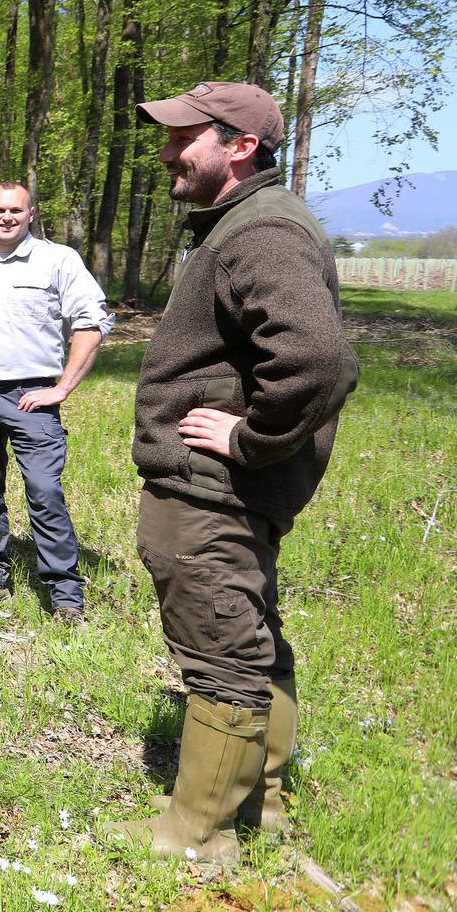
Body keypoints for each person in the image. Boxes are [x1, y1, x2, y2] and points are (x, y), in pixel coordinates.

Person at [106, 82, 357, 864]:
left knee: (220, 650)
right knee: (249, 638)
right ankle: (264, 805)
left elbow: (317, 360)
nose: (168, 152)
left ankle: (198, 837)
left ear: (239, 145)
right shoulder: (251, 223)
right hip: (228, 491)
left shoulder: (261, 232)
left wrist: (250, 441)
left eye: (185, 137)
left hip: (216, 490)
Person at [0, 182, 113, 623]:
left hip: (31, 396)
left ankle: (65, 594)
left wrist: (62, 389)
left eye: (16, 210)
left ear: (31, 213)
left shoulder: (58, 261)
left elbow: (92, 323)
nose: (7, 217)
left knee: (45, 492)